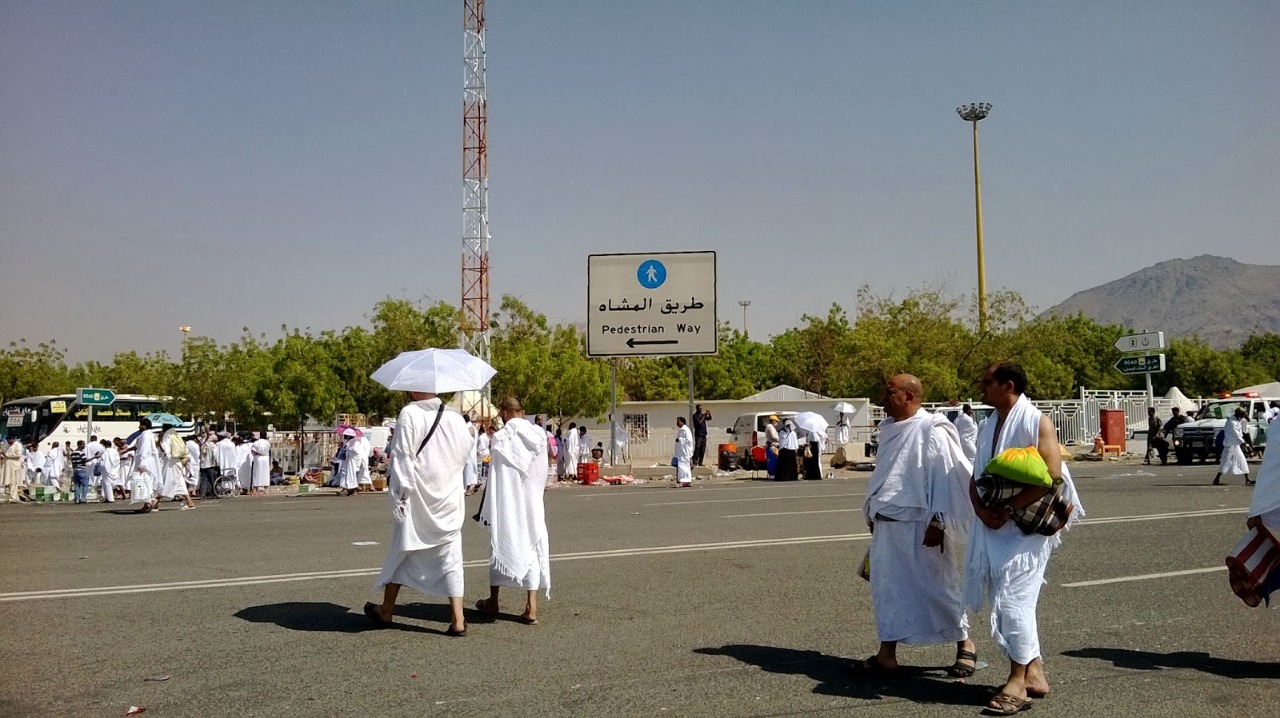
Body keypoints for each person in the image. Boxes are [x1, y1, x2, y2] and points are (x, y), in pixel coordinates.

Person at [965, 361, 1083, 715]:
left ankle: (1017, 681)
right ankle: (1034, 672)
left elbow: (1050, 476)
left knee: (1015, 601)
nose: (981, 388)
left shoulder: (1037, 421)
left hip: (1025, 528)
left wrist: (1008, 510)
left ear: (1009, 385)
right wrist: (980, 508)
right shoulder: (988, 424)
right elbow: (976, 473)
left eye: (987, 382)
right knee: (1005, 598)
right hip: (993, 523)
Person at [858, 375, 976, 677]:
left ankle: (966, 644)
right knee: (888, 592)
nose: (883, 398)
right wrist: (874, 514)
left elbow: (947, 476)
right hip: (887, 525)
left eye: (890, 392)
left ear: (910, 396)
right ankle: (887, 654)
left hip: (921, 526)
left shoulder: (931, 428)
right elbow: (888, 477)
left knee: (937, 587)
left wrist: (939, 521)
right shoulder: (889, 430)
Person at [366, 389, 475, 636]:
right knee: (451, 559)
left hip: (418, 498)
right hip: (448, 498)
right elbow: (465, 450)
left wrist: (400, 495)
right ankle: (458, 619)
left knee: (402, 551)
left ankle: (386, 610)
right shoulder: (455, 417)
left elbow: (403, 457)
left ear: (415, 387)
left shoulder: (410, 413)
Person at [475, 397, 551, 625]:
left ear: (505, 414)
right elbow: (543, 471)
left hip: (508, 504)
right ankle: (532, 606)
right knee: (532, 546)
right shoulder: (539, 435)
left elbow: (496, 478)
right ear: (522, 412)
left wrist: (492, 507)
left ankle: (494, 600)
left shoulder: (501, 438)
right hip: (532, 501)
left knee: (499, 546)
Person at [154, 423, 196, 511]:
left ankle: (155, 503)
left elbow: (164, 449)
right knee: (180, 483)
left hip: (170, 463)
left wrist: (160, 440)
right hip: (176, 462)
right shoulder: (175, 434)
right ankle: (190, 503)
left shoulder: (167, 435)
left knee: (165, 482)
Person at [1213, 407, 1253, 486]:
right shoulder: (1232, 422)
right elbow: (1236, 434)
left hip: (1235, 445)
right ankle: (1216, 479)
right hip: (1230, 445)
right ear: (1239, 414)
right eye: (1242, 415)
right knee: (1225, 462)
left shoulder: (1236, 421)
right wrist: (1244, 443)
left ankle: (1247, 479)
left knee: (1242, 461)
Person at [2, 436, 26, 503]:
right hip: (8, 466)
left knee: (13, 482)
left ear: (12, 439)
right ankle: (13, 496)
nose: (8, 441)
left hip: (14, 466)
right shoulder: (8, 445)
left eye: (9, 440)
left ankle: (14, 497)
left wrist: (7, 454)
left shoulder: (18, 445)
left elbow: (18, 455)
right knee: (9, 481)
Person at [338, 428, 361, 496]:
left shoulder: (356, 442)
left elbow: (356, 451)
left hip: (353, 461)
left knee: (352, 475)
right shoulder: (348, 442)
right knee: (348, 475)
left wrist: (349, 448)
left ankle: (353, 489)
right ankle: (348, 489)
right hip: (348, 460)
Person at [674, 416, 694, 487]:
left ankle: (684, 481)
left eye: (678, 421)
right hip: (681, 452)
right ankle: (686, 481)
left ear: (682, 422)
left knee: (684, 466)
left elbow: (689, 441)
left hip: (685, 452)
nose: (677, 423)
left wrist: (680, 440)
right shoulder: (681, 430)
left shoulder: (685, 430)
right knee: (681, 467)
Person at [250, 431, 272, 495]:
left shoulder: (256, 442)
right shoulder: (268, 443)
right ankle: (266, 489)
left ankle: (254, 489)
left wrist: (258, 453)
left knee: (256, 473)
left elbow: (253, 451)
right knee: (265, 473)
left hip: (258, 458)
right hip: (266, 458)